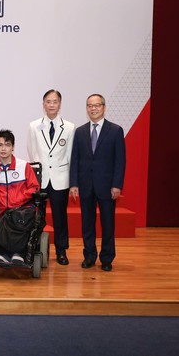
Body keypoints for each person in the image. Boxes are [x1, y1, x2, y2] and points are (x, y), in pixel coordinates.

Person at [70, 94, 126, 272]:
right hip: (85, 185)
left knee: (108, 224)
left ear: (104, 107)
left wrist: (117, 184)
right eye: (89, 106)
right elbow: (75, 160)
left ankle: (107, 258)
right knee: (87, 223)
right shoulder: (79, 132)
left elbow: (120, 161)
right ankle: (89, 256)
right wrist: (74, 184)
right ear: (86, 108)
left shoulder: (115, 130)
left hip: (107, 186)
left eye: (97, 105)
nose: (93, 109)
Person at [27, 89, 75, 266]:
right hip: (40, 180)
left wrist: (72, 181)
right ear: (43, 104)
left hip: (60, 179)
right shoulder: (34, 126)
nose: (51, 105)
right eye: (48, 101)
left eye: (55, 101)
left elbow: (70, 155)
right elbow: (32, 152)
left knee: (60, 217)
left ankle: (61, 251)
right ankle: (36, 248)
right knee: (38, 217)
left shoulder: (69, 127)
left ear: (60, 104)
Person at [0, 129, 39, 265]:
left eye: (7, 145)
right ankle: (3, 254)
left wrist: (18, 199)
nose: (3, 148)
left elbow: (34, 187)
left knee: (16, 218)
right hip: (4, 210)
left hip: (22, 209)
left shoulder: (23, 166)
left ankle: (18, 254)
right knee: (1, 220)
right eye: (0, 145)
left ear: (13, 147)